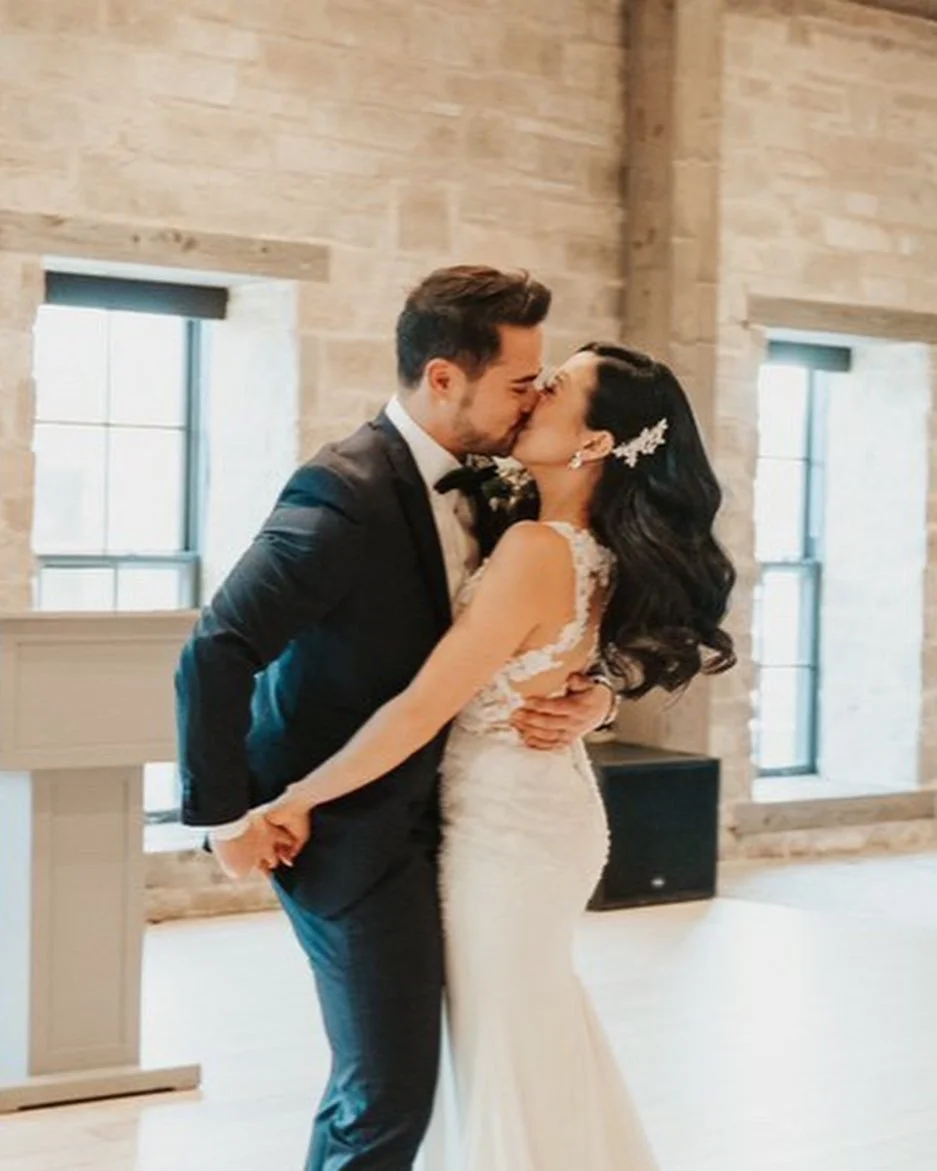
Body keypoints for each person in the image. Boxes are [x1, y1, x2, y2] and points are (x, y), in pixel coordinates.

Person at [174, 265, 619, 1171]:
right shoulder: (341, 490)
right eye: (517, 381)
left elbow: (578, 614)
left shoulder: (502, 479)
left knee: (461, 1065)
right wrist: (224, 819)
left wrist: (599, 691)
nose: (532, 398)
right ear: (444, 379)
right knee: (385, 1089)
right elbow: (216, 648)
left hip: (455, 819)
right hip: (339, 825)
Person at [265, 342, 737, 1171]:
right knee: (524, 1034)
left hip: (509, 834)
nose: (532, 393)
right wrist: (600, 692)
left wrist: (297, 794)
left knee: (504, 1044)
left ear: (593, 444)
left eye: (554, 388)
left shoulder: (538, 549)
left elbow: (422, 707)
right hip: (531, 811)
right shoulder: (573, 539)